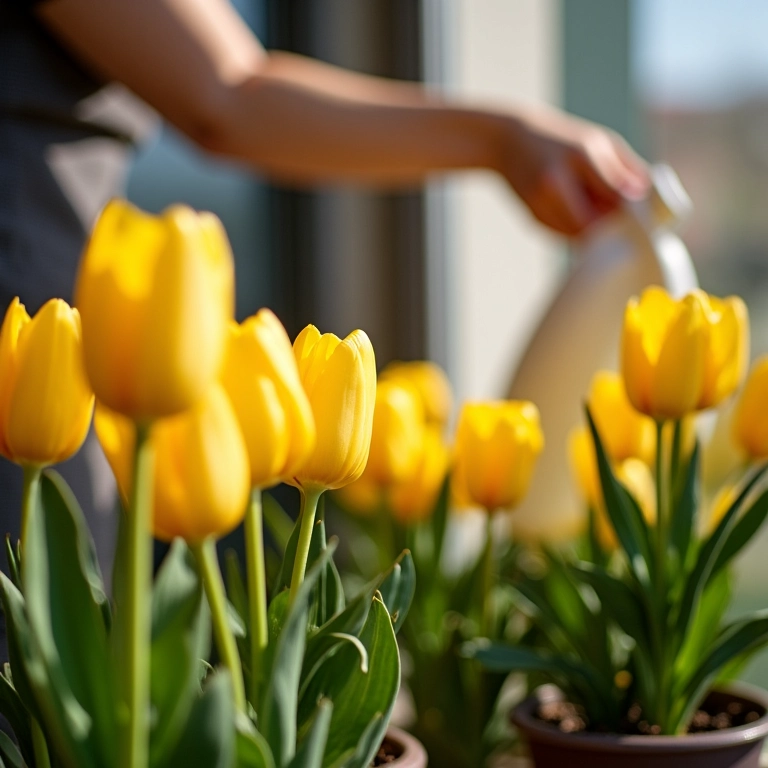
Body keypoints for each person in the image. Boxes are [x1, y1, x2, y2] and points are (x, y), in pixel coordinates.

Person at [0, 0, 649, 576]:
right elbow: (228, 97)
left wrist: (507, 141)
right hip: (28, 307)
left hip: (54, 306)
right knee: (32, 624)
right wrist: (503, 138)